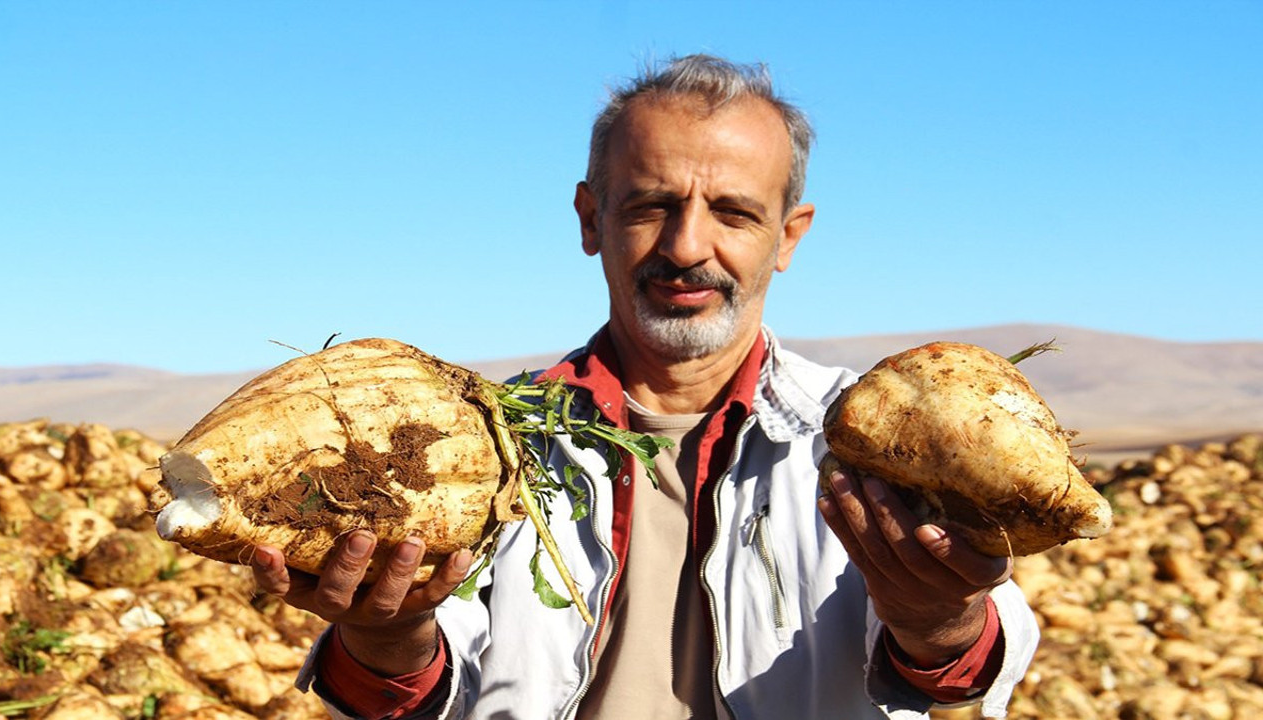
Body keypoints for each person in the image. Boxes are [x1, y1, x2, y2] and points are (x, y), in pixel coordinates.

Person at [252, 54, 1039, 719]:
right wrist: (388, 636)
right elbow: (408, 684)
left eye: (733, 213)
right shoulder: (475, 447)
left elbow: (981, 658)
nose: (688, 246)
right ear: (591, 219)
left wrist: (940, 620)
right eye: (652, 205)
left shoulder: (870, 442)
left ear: (788, 236)